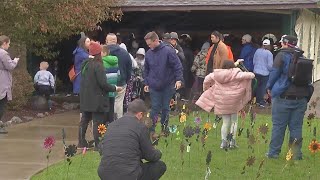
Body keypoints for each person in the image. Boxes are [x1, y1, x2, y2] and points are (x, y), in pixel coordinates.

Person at [266, 35, 312, 160]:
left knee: (279, 126)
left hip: (283, 96)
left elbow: (274, 73)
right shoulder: (302, 57)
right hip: (301, 98)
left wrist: (269, 87)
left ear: (285, 43)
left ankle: (273, 153)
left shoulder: (281, 55)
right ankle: (296, 155)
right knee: (296, 127)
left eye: (282, 43)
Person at [98, 99, 166, 180]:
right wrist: (158, 153)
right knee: (160, 166)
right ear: (140, 114)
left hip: (105, 174)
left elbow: (101, 148)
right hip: (128, 175)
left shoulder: (111, 125)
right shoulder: (140, 127)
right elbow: (150, 155)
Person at [196, 60, 255, 149]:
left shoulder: (216, 74)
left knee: (225, 122)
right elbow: (251, 75)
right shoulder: (237, 74)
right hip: (234, 101)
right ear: (233, 66)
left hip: (222, 101)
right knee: (234, 122)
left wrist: (206, 89)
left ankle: (223, 142)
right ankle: (232, 142)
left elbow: (206, 80)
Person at [78, 42, 122, 149]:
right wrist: (115, 88)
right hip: (97, 98)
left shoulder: (86, 64)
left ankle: (81, 142)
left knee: (84, 120)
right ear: (99, 53)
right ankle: (98, 144)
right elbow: (103, 84)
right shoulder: (98, 66)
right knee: (98, 122)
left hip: (85, 97)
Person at [144, 31, 183, 138]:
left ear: (156, 40)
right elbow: (146, 69)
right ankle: (151, 131)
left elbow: (177, 66)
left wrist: (178, 80)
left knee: (166, 108)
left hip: (167, 85)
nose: (149, 46)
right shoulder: (148, 53)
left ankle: (164, 129)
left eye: (150, 44)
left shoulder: (168, 51)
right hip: (154, 85)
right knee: (155, 107)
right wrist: (146, 82)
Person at [106, 33, 132, 119]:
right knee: (118, 103)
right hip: (121, 81)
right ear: (116, 41)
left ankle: (106, 122)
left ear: (107, 41)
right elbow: (129, 68)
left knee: (106, 102)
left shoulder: (102, 52)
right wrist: (126, 79)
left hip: (105, 82)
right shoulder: (124, 53)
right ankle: (118, 122)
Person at [0, 35, 19, 134]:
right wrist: (15, 61)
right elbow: (10, 66)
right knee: (2, 103)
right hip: (2, 80)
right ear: (4, 43)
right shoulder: (3, 53)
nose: (9, 45)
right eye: (9, 44)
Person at [253, 39, 273, 107]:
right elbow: (270, 65)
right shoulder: (269, 53)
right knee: (263, 87)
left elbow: (254, 61)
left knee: (257, 86)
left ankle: (257, 100)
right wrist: (271, 70)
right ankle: (261, 102)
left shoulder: (257, 51)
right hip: (265, 73)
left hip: (256, 71)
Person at [101, 45, 119, 123]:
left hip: (105, 89)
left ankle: (104, 127)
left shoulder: (102, 62)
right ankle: (111, 124)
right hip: (113, 88)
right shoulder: (115, 61)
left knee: (105, 109)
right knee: (111, 107)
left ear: (104, 53)